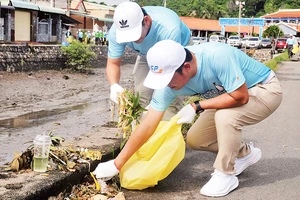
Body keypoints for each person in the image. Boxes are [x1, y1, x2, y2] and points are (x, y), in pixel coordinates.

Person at [93, 40, 283, 197]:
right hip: (227, 96)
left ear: (186, 67)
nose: (166, 85)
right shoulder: (169, 84)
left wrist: (197, 106)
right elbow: (148, 125)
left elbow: (241, 97)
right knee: (195, 139)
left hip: (263, 90)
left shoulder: (216, 56)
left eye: (169, 79)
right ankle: (244, 153)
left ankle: (226, 174)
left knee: (226, 117)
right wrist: (117, 163)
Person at [106, 2, 192, 120]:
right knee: (139, 95)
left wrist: (157, 105)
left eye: (134, 35)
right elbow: (113, 63)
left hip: (176, 51)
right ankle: (140, 132)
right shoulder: (116, 31)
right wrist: (114, 85)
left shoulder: (169, 29)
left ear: (146, 21)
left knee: (169, 98)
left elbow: (168, 70)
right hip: (146, 53)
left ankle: (166, 133)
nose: (132, 40)